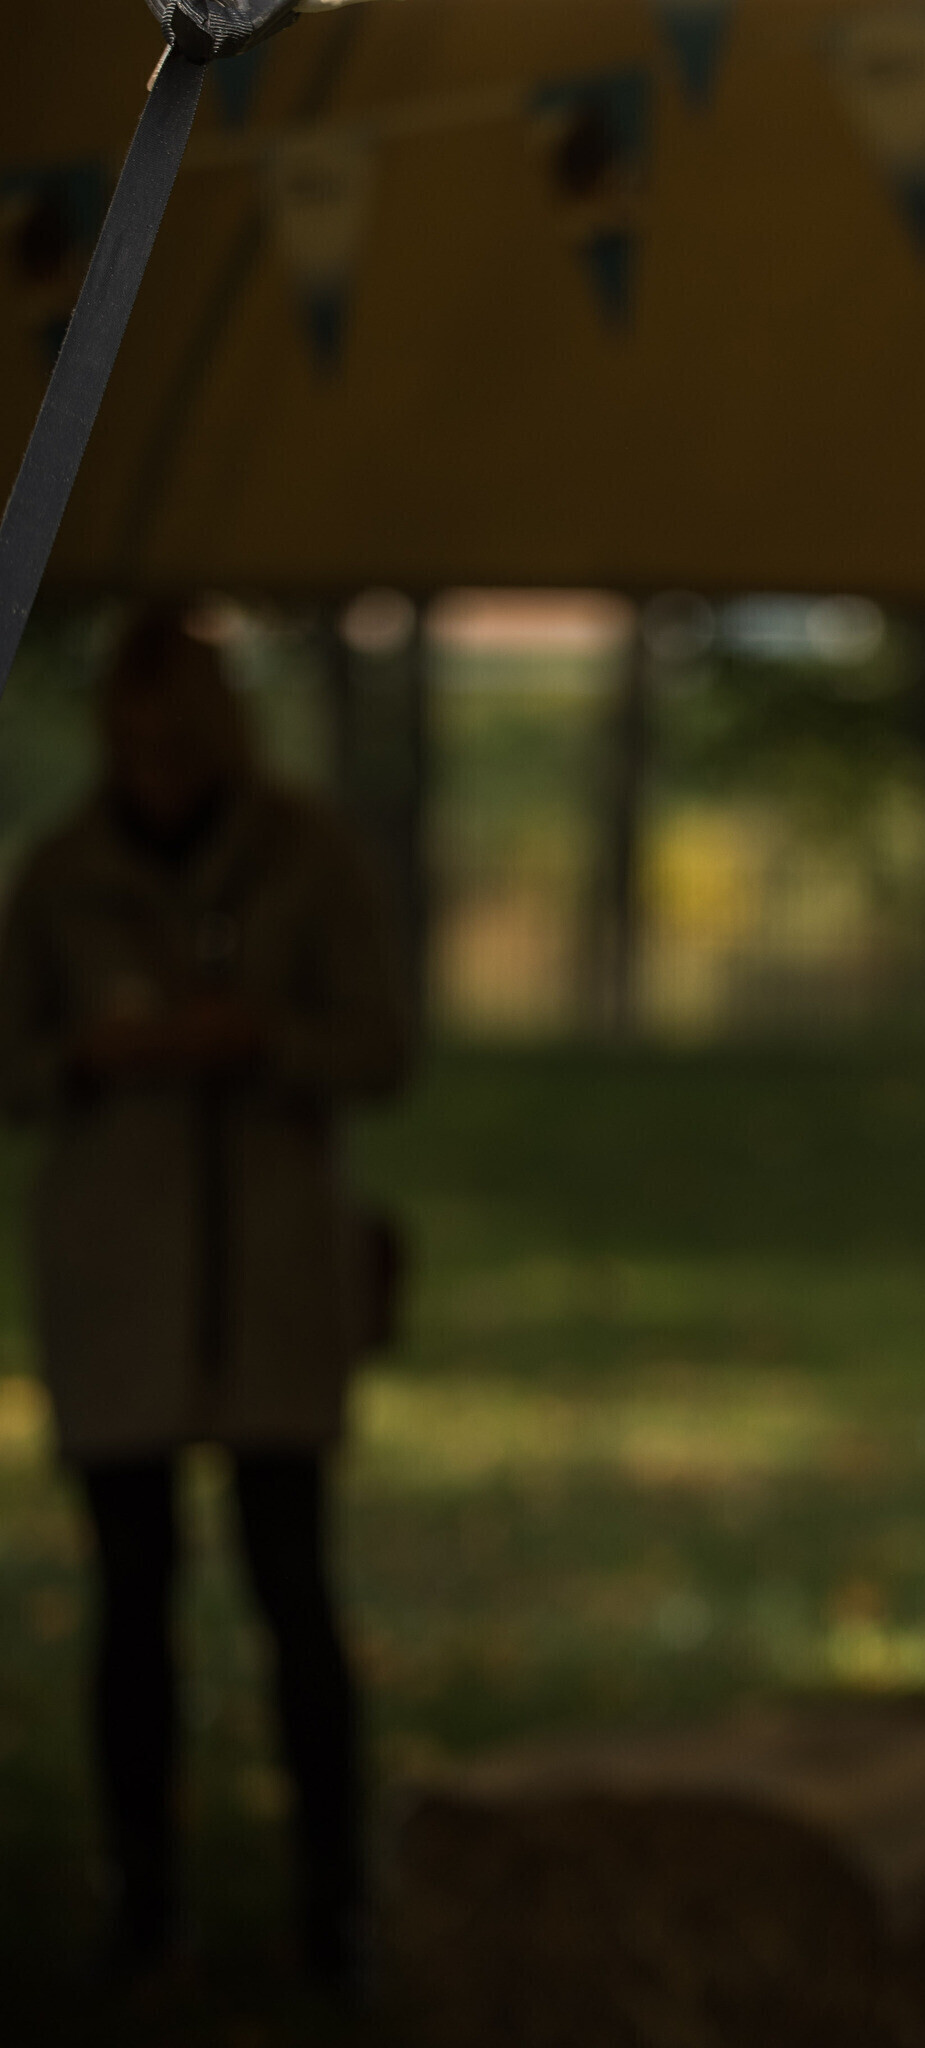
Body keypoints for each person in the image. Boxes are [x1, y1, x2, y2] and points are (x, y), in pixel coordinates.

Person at [0, 606, 412, 1988]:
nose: (156, 768)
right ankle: (140, 1897)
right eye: (134, 743)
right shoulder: (64, 871)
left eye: (177, 742)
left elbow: (381, 1043)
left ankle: (333, 1906)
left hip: (271, 1278)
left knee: (292, 1586)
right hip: (119, 1279)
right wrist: (91, 1056)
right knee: (131, 1595)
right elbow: (11, 1057)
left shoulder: (307, 856)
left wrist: (262, 1036)